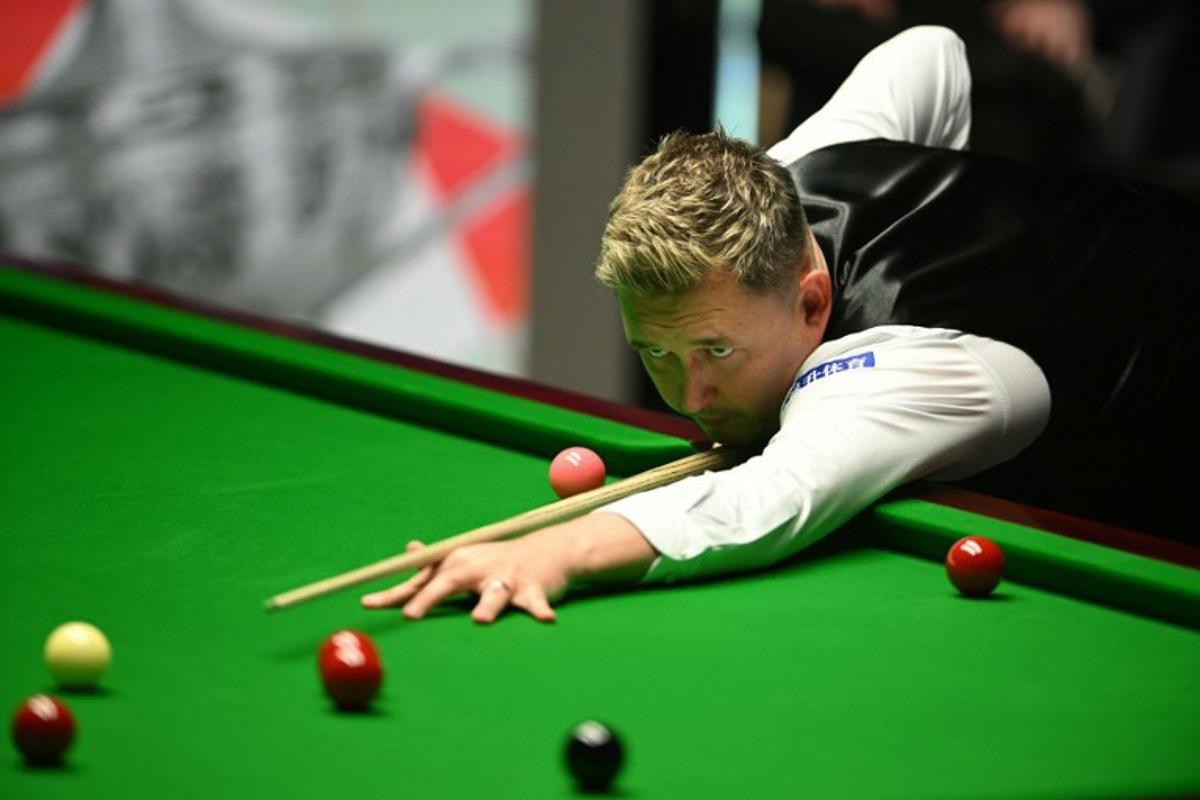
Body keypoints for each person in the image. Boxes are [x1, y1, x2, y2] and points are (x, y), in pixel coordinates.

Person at [361, 26, 1198, 624]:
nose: (691, 394)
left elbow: (770, 500)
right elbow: (931, 52)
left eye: (716, 350)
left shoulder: (907, 369)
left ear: (810, 300)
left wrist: (558, 552)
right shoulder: (794, 172)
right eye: (654, 351)